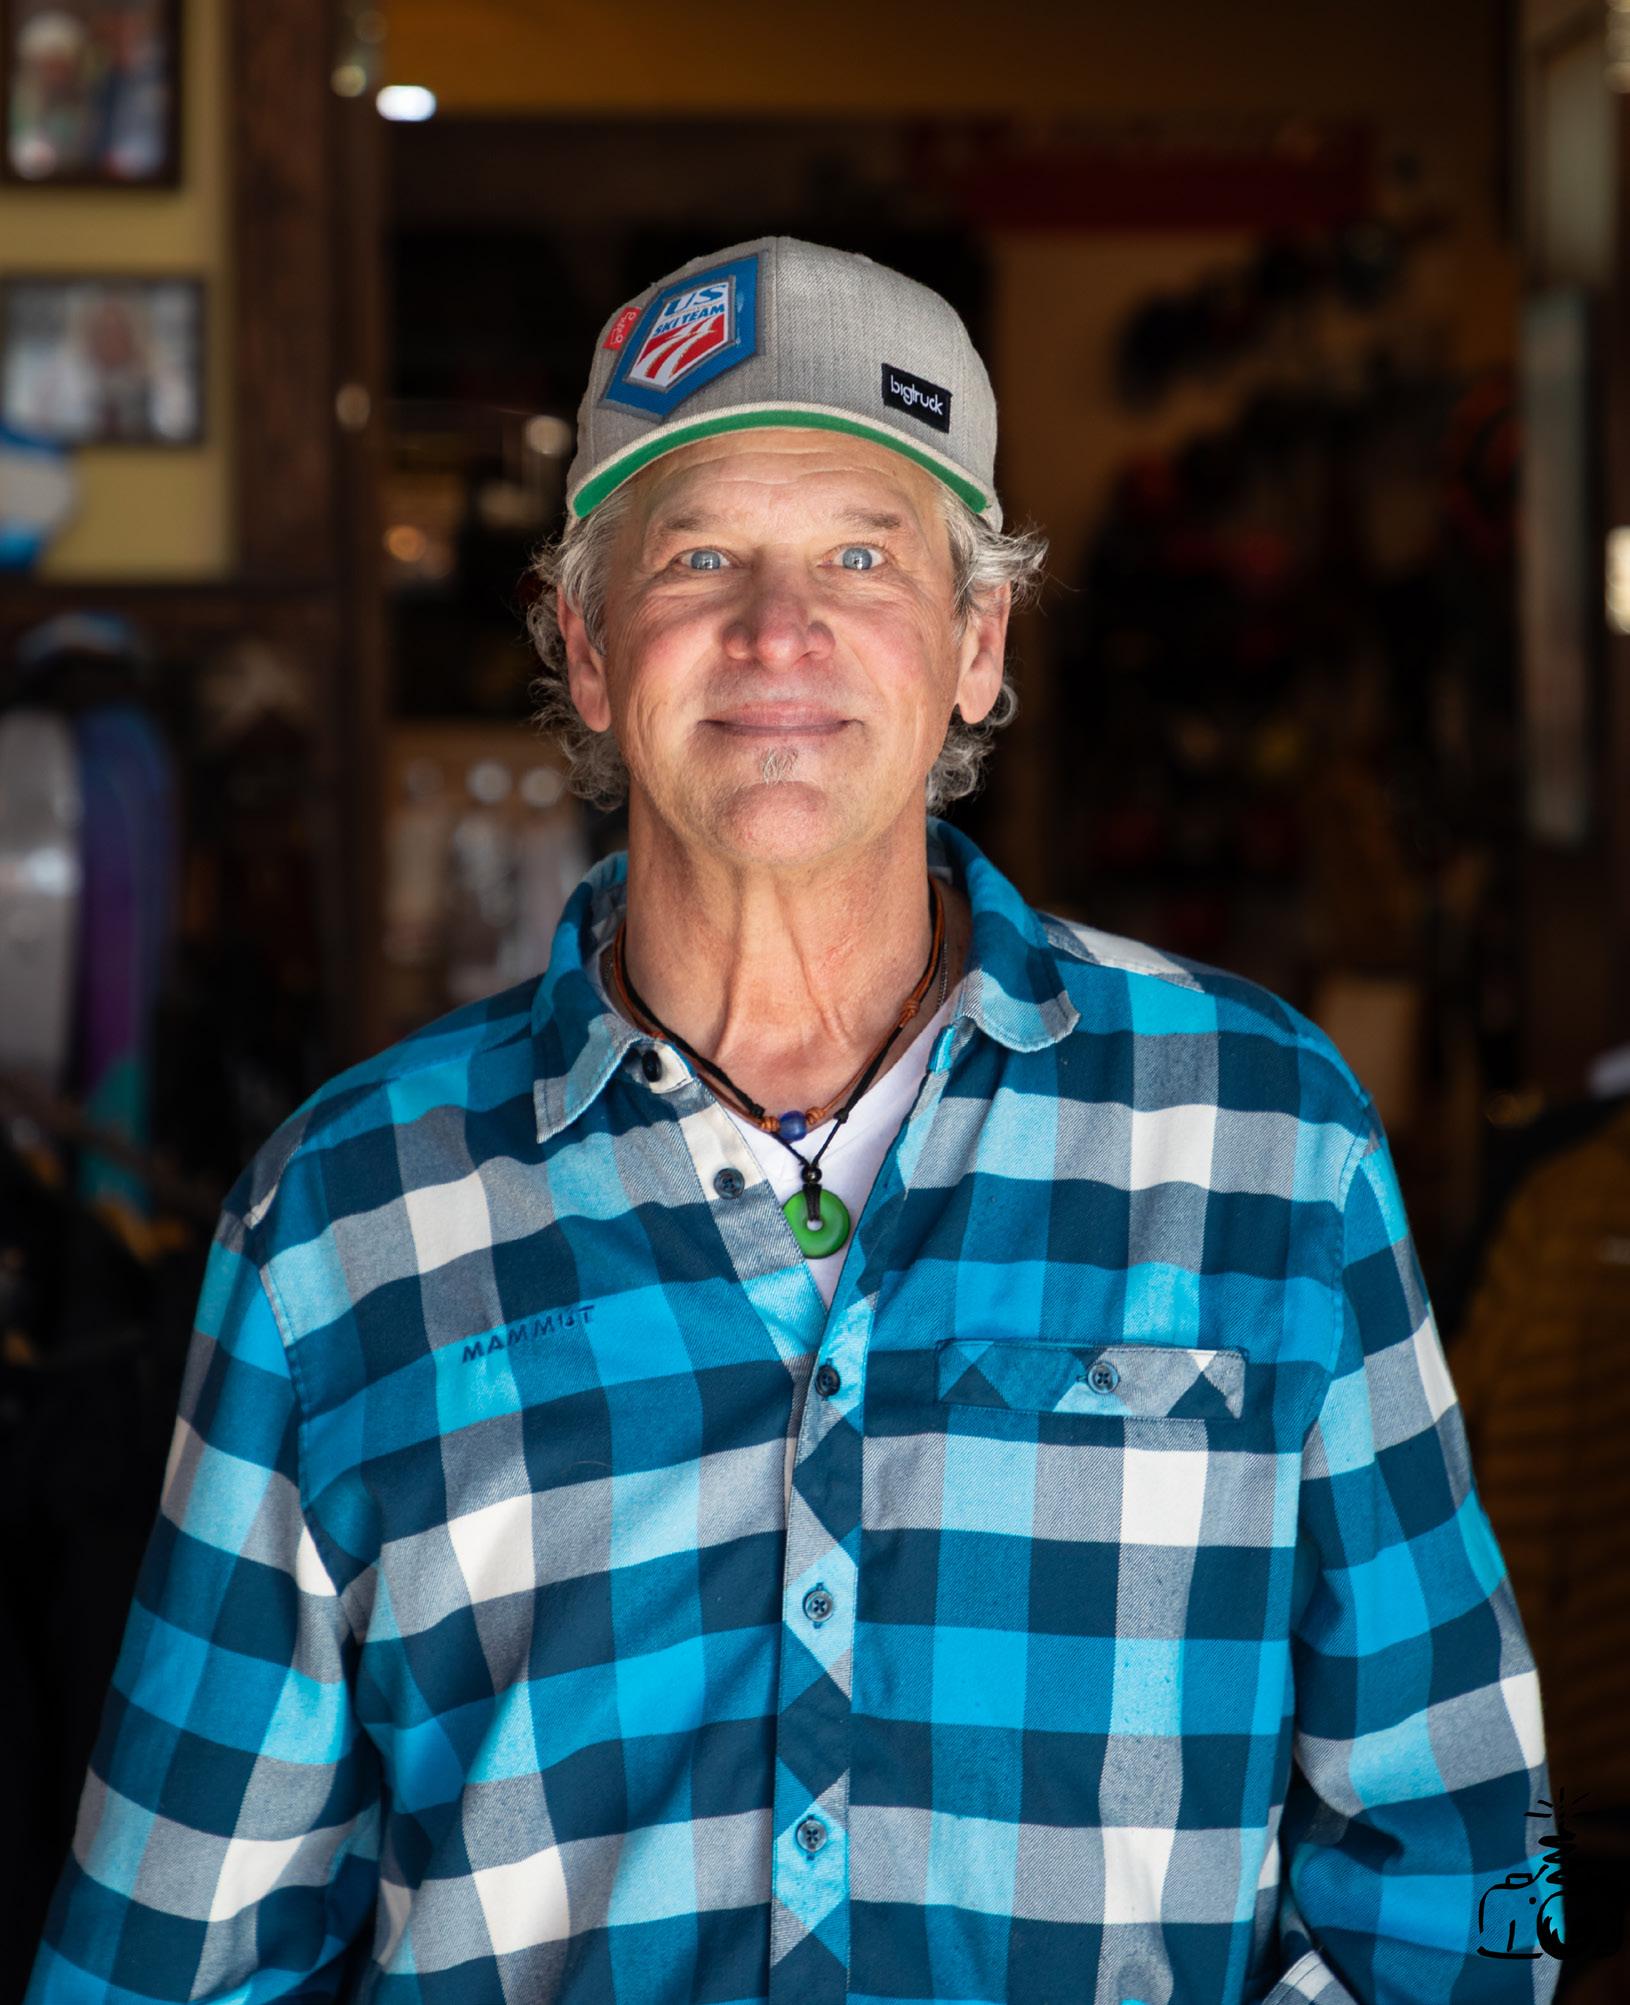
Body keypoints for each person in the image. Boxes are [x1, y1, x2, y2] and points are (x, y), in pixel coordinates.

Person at [26, 236, 1556, 2004]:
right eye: (699, 557)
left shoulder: (1264, 1141)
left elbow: (1481, 1862)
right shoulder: (342, 1218)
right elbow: (168, 1955)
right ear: (585, 647)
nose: (778, 631)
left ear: (976, 643)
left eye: (860, 553)